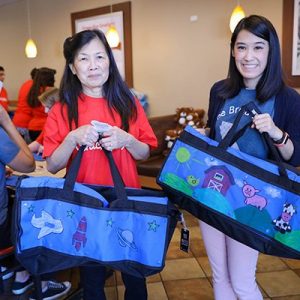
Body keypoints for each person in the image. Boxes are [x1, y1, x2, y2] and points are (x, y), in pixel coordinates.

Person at [42, 29, 157, 300]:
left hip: (125, 203)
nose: (93, 65)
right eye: (83, 59)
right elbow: (51, 165)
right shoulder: (62, 109)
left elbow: (143, 153)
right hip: (85, 210)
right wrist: (72, 138)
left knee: (135, 279)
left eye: (99, 57)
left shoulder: (127, 102)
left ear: (109, 61)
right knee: (92, 282)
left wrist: (126, 139)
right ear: (72, 67)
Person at [199, 15, 300, 300]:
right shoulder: (220, 91)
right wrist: (201, 134)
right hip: (214, 191)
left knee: (242, 281)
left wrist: (276, 132)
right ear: (232, 51)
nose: (249, 56)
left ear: (271, 51)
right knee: (220, 277)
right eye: (242, 47)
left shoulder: (287, 98)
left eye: (258, 47)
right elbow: (214, 137)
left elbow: (295, 156)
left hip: (251, 199)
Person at [13, 67, 56, 143]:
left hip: (31, 127)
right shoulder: (50, 91)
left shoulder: (33, 89)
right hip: (43, 127)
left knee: (29, 152)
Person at [28, 87, 59, 154]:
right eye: (44, 107)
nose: (45, 111)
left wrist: (49, 149)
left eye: (48, 107)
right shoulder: (50, 122)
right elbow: (38, 142)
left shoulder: (67, 124)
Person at [13, 68, 38, 143]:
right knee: (28, 151)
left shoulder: (25, 84)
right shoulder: (35, 87)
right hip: (26, 124)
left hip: (16, 121)